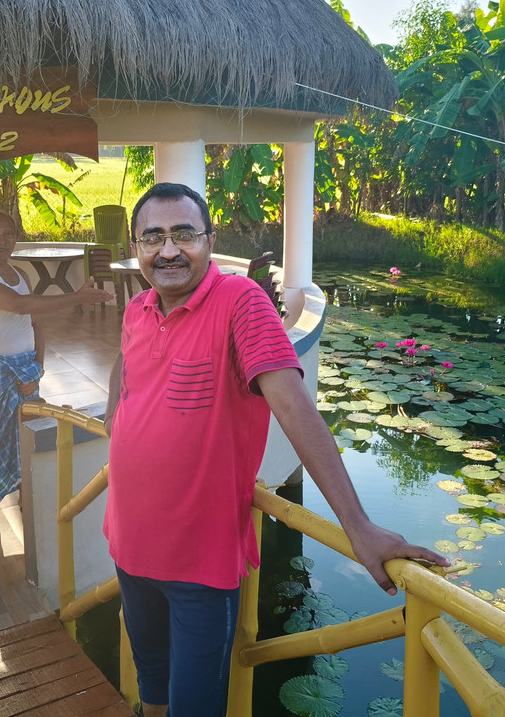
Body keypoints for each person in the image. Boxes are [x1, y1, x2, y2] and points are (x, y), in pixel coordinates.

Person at [102, 183, 449, 717]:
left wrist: (358, 526)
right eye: (153, 237)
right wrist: (116, 421)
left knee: (192, 707)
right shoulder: (139, 307)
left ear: (209, 241)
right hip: (129, 546)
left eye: (183, 234)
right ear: (136, 247)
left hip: (198, 564)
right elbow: (125, 368)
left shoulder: (242, 303)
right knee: (152, 691)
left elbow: (296, 410)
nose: (168, 250)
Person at [0, 209, 113, 547]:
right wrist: (76, 297)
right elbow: (16, 305)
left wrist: (38, 368)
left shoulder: (19, 273)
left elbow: (35, 323)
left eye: (8, 233)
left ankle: (27, 497)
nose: (2, 239)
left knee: (27, 432)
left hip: (25, 365)